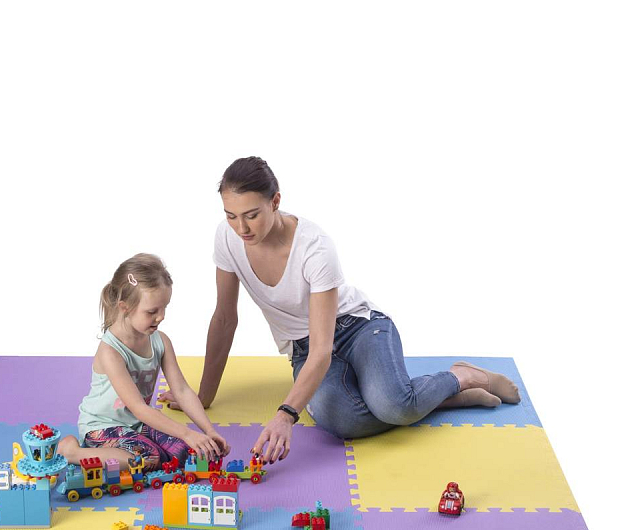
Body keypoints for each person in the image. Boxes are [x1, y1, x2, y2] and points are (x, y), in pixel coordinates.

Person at [159, 156, 520, 464]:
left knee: (393, 406)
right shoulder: (227, 239)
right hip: (304, 347)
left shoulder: (315, 247)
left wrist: (286, 414)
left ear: (275, 201)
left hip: (358, 329)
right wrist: (203, 396)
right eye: (231, 216)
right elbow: (225, 318)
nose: (241, 227)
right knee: (343, 421)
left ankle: (460, 377)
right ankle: (432, 401)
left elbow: (323, 348)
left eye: (251, 215)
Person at [59, 254, 230, 472]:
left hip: (139, 424)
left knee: (186, 453)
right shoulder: (110, 351)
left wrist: (208, 431)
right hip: (103, 426)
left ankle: (146, 445)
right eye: (152, 311)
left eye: (164, 307)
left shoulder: (161, 341)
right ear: (125, 307)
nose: (161, 316)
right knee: (148, 458)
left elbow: (181, 390)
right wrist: (187, 432)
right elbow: (138, 407)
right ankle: (73, 453)